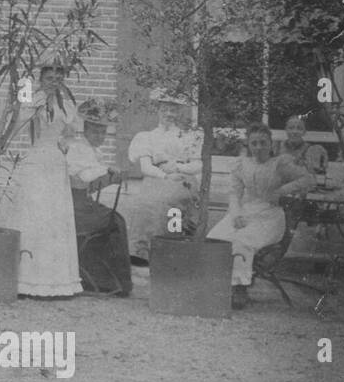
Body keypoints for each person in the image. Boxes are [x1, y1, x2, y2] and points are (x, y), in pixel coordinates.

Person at [0, 63, 82, 297]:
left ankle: (57, 282)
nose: (53, 82)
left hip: (56, 163)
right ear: (41, 80)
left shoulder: (67, 105)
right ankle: (27, 281)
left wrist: (65, 146)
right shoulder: (32, 101)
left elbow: (70, 135)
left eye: (58, 79)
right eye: (49, 78)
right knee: (34, 215)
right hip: (35, 160)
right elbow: (17, 124)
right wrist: (33, 103)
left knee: (55, 218)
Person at [207, 122, 316, 310]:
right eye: (254, 143)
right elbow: (234, 194)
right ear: (248, 144)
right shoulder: (242, 164)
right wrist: (236, 214)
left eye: (263, 143)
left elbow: (308, 180)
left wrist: (282, 190)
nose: (258, 147)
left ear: (270, 143)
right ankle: (216, 285)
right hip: (245, 212)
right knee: (214, 238)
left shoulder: (279, 163)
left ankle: (240, 287)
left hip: (270, 217)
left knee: (242, 241)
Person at [118, 91, 201, 263]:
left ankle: (171, 249)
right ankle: (141, 252)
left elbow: (197, 165)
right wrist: (165, 176)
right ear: (158, 110)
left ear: (179, 112)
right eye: (164, 110)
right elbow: (146, 167)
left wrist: (177, 167)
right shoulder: (147, 137)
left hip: (182, 178)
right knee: (144, 203)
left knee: (170, 202)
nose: (169, 114)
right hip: (157, 178)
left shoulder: (188, 136)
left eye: (173, 110)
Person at [64, 100, 132, 297]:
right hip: (75, 206)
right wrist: (107, 170)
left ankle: (112, 280)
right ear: (85, 130)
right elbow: (84, 177)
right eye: (95, 132)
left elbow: (92, 183)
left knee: (116, 220)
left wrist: (109, 176)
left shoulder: (94, 151)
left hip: (84, 202)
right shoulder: (78, 148)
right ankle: (110, 281)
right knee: (115, 221)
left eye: (103, 132)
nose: (99, 136)